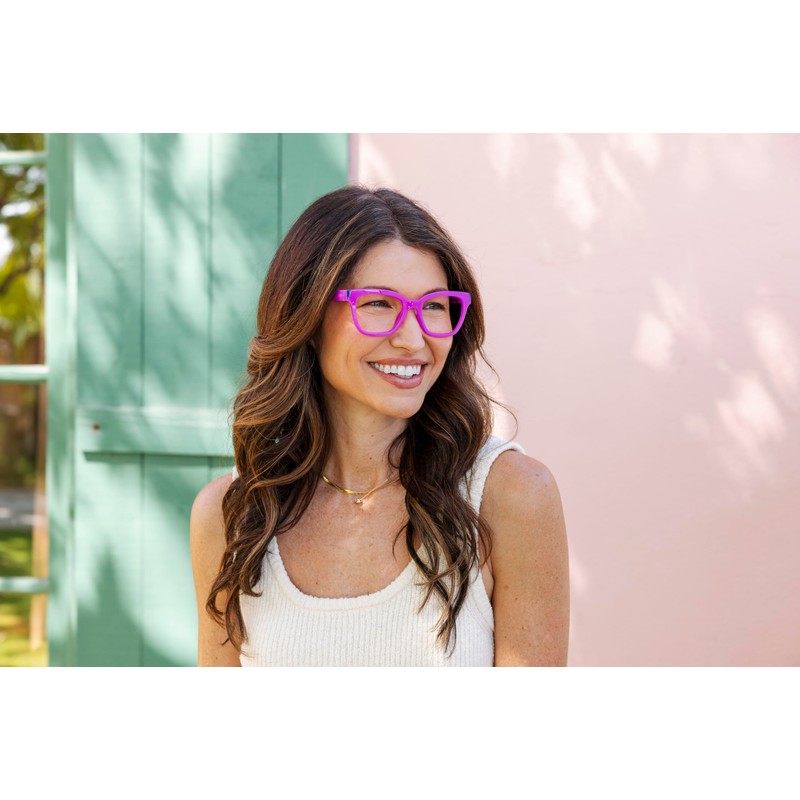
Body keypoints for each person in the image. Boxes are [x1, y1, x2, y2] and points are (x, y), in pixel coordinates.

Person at [190, 185, 569, 666]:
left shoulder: (510, 496)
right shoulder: (231, 515)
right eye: (378, 304)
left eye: (434, 306)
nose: (413, 339)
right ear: (307, 315)